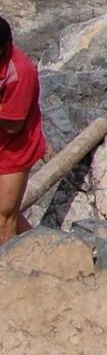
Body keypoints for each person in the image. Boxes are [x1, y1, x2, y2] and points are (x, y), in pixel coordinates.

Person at [0, 15, 47, 244]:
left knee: (3, 218)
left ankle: (7, 271)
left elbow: (12, 126)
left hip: (13, 148)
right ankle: (38, 248)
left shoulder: (19, 72)